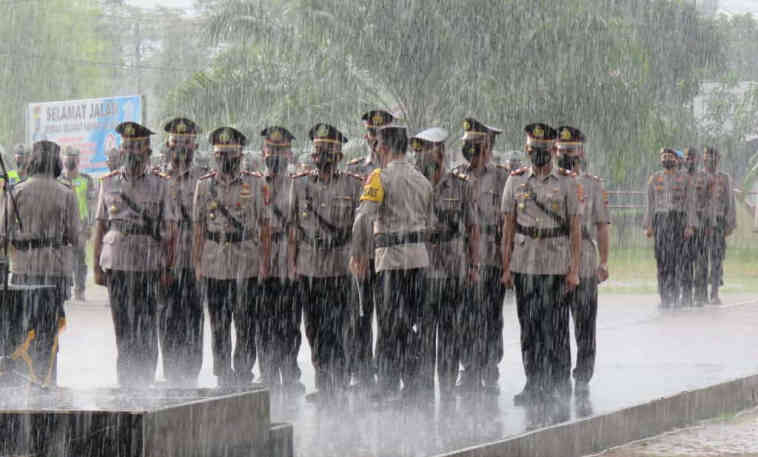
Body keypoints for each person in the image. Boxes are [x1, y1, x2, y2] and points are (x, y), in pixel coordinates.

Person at [350, 121, 433, 401]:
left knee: (388, 326)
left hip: (391, 263)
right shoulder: (422, 180)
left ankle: (387, 385)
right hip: (419, 261)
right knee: (415, 323)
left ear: (382, 147)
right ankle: (416, 385)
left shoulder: (379, 178)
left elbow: (363, 218)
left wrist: (359, 253)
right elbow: (430, 222)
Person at [93, 121, 178, 387]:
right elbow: (100, 226)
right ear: (121, 151)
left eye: (137, 148)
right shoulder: (108, 183)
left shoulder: (160, 184)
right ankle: (126, 382)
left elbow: (170, 230)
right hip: (117, 263)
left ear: (147, 151)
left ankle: (146, 381)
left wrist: (168, 267)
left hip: (148, 263)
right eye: (128, 147)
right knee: (123, 327)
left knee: (146, 325)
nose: (132, 153)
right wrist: (96, 267)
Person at [501, 123, 581, 405]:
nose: (538, 154)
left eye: (543, 150)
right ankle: (533, 383)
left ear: (552, 151)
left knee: (555, 327)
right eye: (533, 149)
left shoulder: (567, 182)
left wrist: (574, 269)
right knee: (530, 328)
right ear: (527, 150)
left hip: (556, 265)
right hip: (525, 265)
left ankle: (558, 382)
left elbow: (575, 227)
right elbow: (508, 226)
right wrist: (506, 266)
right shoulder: (515, 181)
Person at [288, 123, 362, 403]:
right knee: (315, 328)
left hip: (340, 268)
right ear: (313, 154)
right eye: (319, 150)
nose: (323, 156)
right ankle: (322, 381)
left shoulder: (352, 185)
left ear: (340, 155)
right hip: (309, 268)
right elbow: (293, 227)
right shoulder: (300, 184)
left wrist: (358, 258)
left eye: (330, 151)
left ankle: (340, 380)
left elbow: (359, 228)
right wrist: (292, 264)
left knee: (340, 326)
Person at [192, 126, 271, 387]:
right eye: (220, 153)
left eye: (231, 153)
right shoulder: (203, 186)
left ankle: (244, 373)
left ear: (240, 155)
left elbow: (265, 225)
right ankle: (223, 373)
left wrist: (264, 263)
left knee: (246, 321)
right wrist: (197, 264)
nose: (225, 158)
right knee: (218, 323)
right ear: (215, 156)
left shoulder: (255, 183)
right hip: (214, 262)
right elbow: (198, 227)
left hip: (245, 262)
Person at [0, 140, 78, 386]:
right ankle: (47, 380)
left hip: (23, 270)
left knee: (22, 330)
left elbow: (2, 232)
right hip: (55, 272)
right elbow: (75, 237)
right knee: (49, 329)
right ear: (56, 162)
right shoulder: (66, 193)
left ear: (33, 161)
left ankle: (23, 381)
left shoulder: (18, 191)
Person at [410, 127, 479, 399]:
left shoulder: (460, 185)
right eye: (422, 151)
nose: (425, 157)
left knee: (451, 331)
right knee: (425, 331)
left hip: (453, 269)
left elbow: (472, 228)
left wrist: (472, 265)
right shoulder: (413, 185)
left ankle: (448, 386)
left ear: (440, 153)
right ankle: (425, 386)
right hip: (423, 270)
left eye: (430, 150)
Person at [454, 117, 509, 395]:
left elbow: (508, 222)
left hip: (492, 258)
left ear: (488, 146)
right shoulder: (456, 175)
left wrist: (507, 263)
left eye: (476, 145)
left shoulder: (501, 177)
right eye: (467, 145)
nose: (471, 150)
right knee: (465, 316)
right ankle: (469, 368)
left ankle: (489, 365)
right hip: (463, 259)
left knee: (490, 315)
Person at [554, 126, 610, 393]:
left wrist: (604, 262)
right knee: (557, 326)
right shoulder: (550, 182)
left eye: (571, 150)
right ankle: (561, 375)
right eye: (562, 150)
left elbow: (602, 225)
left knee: (585, 324)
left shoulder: (592, 185)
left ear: (581, 152)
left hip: (586, 262)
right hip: (554, 260)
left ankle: (583, 376)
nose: (566, 155)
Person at [344, 109, 397, 389]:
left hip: (389, 253)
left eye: (380, 134)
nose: (375, 140)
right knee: (359, 315)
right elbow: (355, 215)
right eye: (371, 134)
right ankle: (361, 372)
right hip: (362, 255)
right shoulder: (355, 170)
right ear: (366, 136)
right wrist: (357, 253)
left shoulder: (397, 168)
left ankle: (386, 374)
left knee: (388, 316)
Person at [257, 126, 304, 395]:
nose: (276, 154)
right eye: (271, 149)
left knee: (289, 324)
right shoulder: (253, 183)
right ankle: (268, 375)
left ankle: (290, 373)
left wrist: (295, 262)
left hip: (288, 259)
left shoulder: (298, 183)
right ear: (264, 151)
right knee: (263, 322)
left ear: (289, 153)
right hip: (262, 261)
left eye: (281, 150)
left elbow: (299, 224)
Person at [159, 118, 205, 387]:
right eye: (176, 143)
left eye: (186, 143)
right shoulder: (156, 177)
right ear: (167, 145)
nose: (180, 148)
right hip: (165, 261)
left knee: (193, 317)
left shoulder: (203, 177)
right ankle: (171, 373)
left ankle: (191, 374)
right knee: (166, 317)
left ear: (194, 145)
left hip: (194, 260)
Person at [643, 148, 696, 308]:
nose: (667, 159)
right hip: (661, 221)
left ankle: (677, 295)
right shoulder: (654, 178)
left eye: (670, 156)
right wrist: (649, 225)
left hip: (678, 220)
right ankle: (665, 296)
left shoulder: (685, 178)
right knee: (662, 260)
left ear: (676, 159)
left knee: (679, 260)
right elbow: (650, 203)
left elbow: (690, 203)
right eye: (664, 156)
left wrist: (690, 225)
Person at [59, 147, 97, 302]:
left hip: (80, 225)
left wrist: (89, 226)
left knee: (79, 258)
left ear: (78, 160)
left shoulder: (86, 180)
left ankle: (79, 290)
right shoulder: (58, 179)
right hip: (62, 225)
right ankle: (65, 289)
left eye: (73, 158)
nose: (70, 161)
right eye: (68, 158)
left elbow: (91, 204)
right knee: (62, 258)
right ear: (63, 160)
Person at [702, 146, 736, 305]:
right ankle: (700, 293)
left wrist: (730, 224)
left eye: (713, 157)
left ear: (718, 160)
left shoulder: (725, 178)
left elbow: (730, 202)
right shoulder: (697, 177)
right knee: (700, 258)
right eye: (707, 157)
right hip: (700, 224)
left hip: (718, 223)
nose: (709, 160)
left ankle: (714, 292)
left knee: (716, 258)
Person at [681, 147, 710, 306]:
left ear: (698, 160)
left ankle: (700, 295)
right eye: (687, 157)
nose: (689, 160)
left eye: (692, 157)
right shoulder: (680, 177)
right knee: (685, 261)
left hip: (701, 223)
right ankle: (686, 295)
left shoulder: (705, 178)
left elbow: (709, 201)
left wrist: (709, 223)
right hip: (683, 224)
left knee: (701, 261)